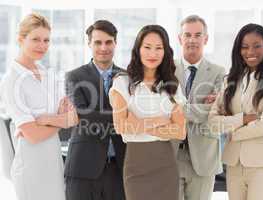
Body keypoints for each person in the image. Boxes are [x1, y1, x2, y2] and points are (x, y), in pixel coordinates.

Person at [0, 13, 78, 200]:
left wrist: (47, 120)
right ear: (21, 39)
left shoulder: (46, 73)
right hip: (30, 169)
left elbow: (73, 116)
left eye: (46, 40)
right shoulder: (12, 80)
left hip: (54, 163)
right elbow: (33, 136)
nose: (42, 45)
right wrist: (61, 121)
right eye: (35, 39)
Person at [208, 23, 263, 200]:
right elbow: (212, 123)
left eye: (257, 46)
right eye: (244, 47)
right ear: (238, 50)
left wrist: (232, 132)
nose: (250, 51)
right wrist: (243, 119)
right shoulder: (230, 79)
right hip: (234, 164)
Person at [109, 24, 186, 200]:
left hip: (166, 165)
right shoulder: (122, 83)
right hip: (136, 165)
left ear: (165, 51)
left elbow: (180, 131)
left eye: (159, 48)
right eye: (147, 47)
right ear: (138, 49)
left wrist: (138, 125)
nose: (153, 53)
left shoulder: (172, 86)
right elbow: (121, 126)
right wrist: (161, 120)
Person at [64, 20, 126, 200]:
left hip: (119, 168)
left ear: (116, 43)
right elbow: (83, 116)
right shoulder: (74, 76)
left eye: (108, 42)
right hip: (83, 168)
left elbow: (136, 113)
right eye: (98, 42)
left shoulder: (128, 77)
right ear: (89, 44)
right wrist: (123, 117)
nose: (103, 47)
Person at [173, 15, 225, 200]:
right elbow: (161, 109)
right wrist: (200, 108)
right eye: (187, 34)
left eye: (198, 34)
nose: (192, 39)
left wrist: (177, 109)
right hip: (171, 155)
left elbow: (214, 111)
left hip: (204, 156)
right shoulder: (167, 69)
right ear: (180, 39)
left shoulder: (219, 72)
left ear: (206, 39)